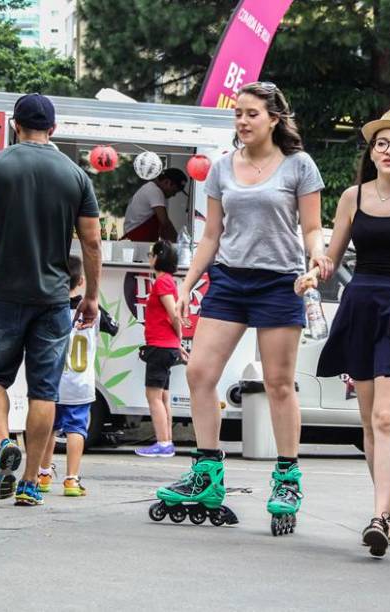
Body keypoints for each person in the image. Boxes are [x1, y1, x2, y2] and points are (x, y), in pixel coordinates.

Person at [150, 82, 330, 533]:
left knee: (278, 384)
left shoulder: (298, 166)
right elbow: (211, 235)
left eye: (251, 114)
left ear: (273, 118)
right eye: (237, 115)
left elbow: (311, 228)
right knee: (198, 373)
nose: (243, 122)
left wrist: (318, 257)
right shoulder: (222, 168)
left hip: (279, 283)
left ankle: (287, 476)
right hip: (229, 279)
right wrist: (188, 282)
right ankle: (207, 472)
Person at [296, 105, 390, 557]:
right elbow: (333, 257)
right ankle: (388, 513)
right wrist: (314, 273)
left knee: (389, 418)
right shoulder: (354, 197)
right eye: (382, 143)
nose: (389, 150)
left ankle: (378, 516)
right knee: (370, 424)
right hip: (361, 306)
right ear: (371, 151)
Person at [0, 93, 101, 507]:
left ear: (14, 126)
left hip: (3, 294)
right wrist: (91, 296)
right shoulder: (76, 175)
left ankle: (4, 440)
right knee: (45, 391)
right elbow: (92, 241)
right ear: (52, 130)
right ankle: (28, 483)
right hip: (55, 300)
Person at [37, 256, 103, 497]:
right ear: (82, 281)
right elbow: (114, 326)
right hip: (80, 383)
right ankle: (71, 480)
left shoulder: (52, 310)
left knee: (48, 429)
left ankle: (43, 474)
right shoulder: (94, 311)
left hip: (53, 381)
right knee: (76, 429)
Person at [135, 240, 186, 458]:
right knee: (164, 395)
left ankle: (163, 443)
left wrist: (179, 338)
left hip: (160, 346)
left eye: (150, 254)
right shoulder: (168, 282)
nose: (149, 258)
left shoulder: (162, 283)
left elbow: (174, 313)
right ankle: (167, 441)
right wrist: (178, 343)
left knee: (153, 396)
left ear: (158, 257)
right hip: (166, 346)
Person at [122, 168, 188, 242]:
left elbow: (163, 230)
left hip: (138, 239)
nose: (174, 195)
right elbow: (165, 223)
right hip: (135, 239)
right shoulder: (155, 191)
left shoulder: (149, 188)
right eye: (174, 190)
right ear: (167, 182)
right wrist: (178, 244)